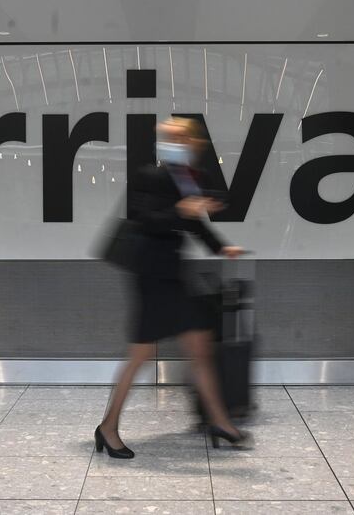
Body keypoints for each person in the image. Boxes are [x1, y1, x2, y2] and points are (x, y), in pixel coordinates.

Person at [95, 117, 247, 459]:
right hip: (150, 275)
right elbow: (143, 218)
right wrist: (181, 209)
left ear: (193, 144)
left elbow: (195, 226)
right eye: (167, 137)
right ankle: (108, 428)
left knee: (201, 347)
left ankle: (220, 422)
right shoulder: (148, 175)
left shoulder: (194, 178)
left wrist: (222, 247)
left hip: (175, 275)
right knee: (141, 355)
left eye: (178, 138)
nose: (171, 143)